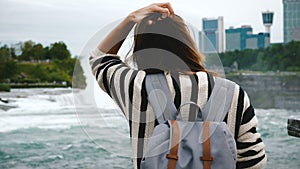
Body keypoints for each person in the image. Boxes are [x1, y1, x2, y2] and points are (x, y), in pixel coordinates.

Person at [89, 2, 267, 169]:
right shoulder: (233, 93)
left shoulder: (135, 86)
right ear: (188, 43)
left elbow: (100, 59)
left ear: (141, 49)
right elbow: (254, 161)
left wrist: (131, 19)